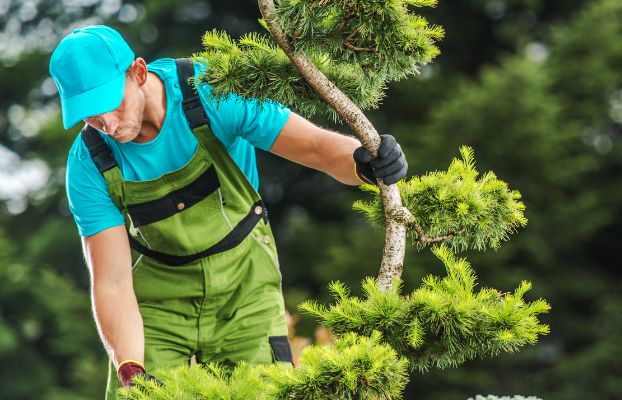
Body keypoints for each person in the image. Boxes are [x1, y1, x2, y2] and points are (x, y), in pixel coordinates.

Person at [49, 25, 407, 399]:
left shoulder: (212, 91)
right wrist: (130, 367)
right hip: (158, 308)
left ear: (138, 73)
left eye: (111, 104)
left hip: (245, 288)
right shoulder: (90, 162)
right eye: (90, 117)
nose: (107, 124)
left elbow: (315, 147)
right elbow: (112, 282)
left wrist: (365, 163)